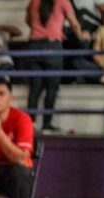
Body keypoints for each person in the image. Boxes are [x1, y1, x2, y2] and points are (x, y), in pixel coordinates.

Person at [26, 0, 89, 133]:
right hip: (52, 47)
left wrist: (43, 30)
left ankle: (30, 125)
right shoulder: (62, 1)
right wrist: (81, 36)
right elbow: (75, 24)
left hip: (33, 47)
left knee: (35, 88)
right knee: (52, 87)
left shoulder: (33, 2)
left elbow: (28, 21)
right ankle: (47, 124)